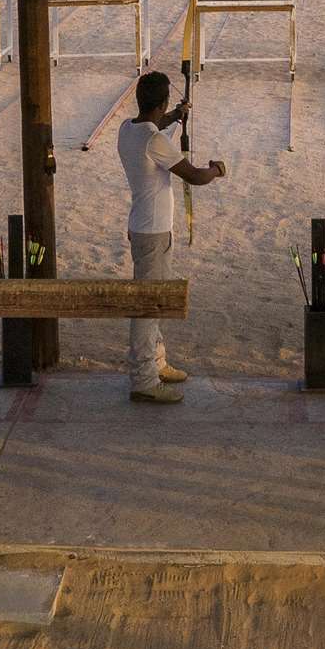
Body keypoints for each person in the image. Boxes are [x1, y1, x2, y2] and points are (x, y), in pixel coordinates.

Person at [116, 70, 225, 403]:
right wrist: (216, 170)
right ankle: (143, 380)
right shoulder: (154, 141)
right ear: (160, 102)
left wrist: (176, 116)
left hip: (144, 228)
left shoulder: (127, 130)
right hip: (152, 233)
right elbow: (193, 176)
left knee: (155, 302)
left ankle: (157, 362)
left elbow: (154, 127)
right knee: (148, 307)